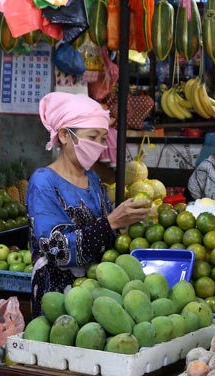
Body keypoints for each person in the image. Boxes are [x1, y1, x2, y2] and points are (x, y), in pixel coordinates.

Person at [27, 92, 151, 313]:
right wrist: (111, 222)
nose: (98, 145)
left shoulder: (92, 179)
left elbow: (109, 235)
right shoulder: (43, 182)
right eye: (92, 137)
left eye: (103, 139)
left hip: (99, 297)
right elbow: (56, 249)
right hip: (58, 301)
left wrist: (128, 221)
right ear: (65, 135)